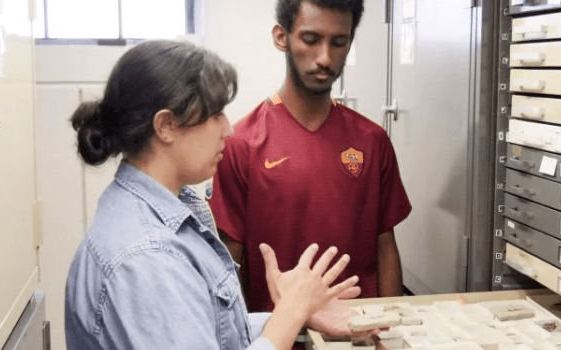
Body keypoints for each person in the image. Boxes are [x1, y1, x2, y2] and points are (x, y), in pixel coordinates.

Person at [64, 40, 366, 350]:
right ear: (166, 125)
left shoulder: (166, 211)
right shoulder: (147, 258)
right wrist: (291, 312)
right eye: (215, 114)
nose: (228, 130)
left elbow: (207, 327)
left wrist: (295, 313)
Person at [209, 0, 412, 313]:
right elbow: (231, 262)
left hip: (358, 332)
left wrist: (390, 328)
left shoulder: (372, 141)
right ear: (282, 37)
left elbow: (386, 247)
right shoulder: (242, 145)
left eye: (339, 42)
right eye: (311, 39)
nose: (325, 58)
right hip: (279, 336)